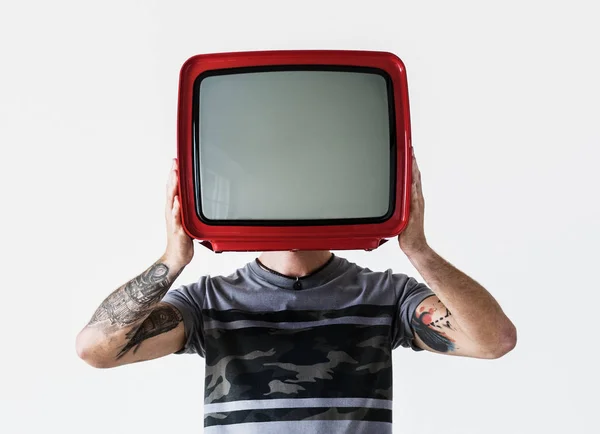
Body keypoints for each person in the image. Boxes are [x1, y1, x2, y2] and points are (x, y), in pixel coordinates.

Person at [76, 156, 517, 434]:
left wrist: (418, 250)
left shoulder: (388, 295)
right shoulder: (208, 303)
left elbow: (494, 340)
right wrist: (172, 260)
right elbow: (96, 349)